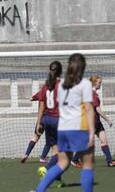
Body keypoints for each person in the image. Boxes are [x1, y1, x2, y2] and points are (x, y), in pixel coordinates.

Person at [35, 53, 95, 192]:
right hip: (79, 128)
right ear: (83, 67)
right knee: (87, 164)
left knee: (63, 163)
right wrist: (91, 132)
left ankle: (39, 190)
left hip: (63, 129)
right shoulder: (84, 84)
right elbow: (88, 109)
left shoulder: (61, 85)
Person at [71, 75, 115, 168]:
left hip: (97, 122)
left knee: (104, 141)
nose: (100, 84)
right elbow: (97, 109)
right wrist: (108, 120)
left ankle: (110, 161)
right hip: (91, 122)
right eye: (99, 83)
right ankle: (74, 160)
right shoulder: (92, 94)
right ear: (94, 83)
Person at [35, 61, 66, 188]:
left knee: (55, 152)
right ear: (60, 71)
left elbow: (41, 106)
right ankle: (46, 168)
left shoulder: (46, 85)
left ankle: (58, 180)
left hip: (47, 120)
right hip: (58, 120)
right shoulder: (62, 86)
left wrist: (38, 123)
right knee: (63, 153)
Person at [20, 90, 51, 164]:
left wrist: (33, 98)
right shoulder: (54, 92)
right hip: (49, 118)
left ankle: (26, 154)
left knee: (35, 137)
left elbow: (33, 98)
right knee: (50, 140)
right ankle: (43, 157)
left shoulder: (42, 92)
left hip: (40, 120)